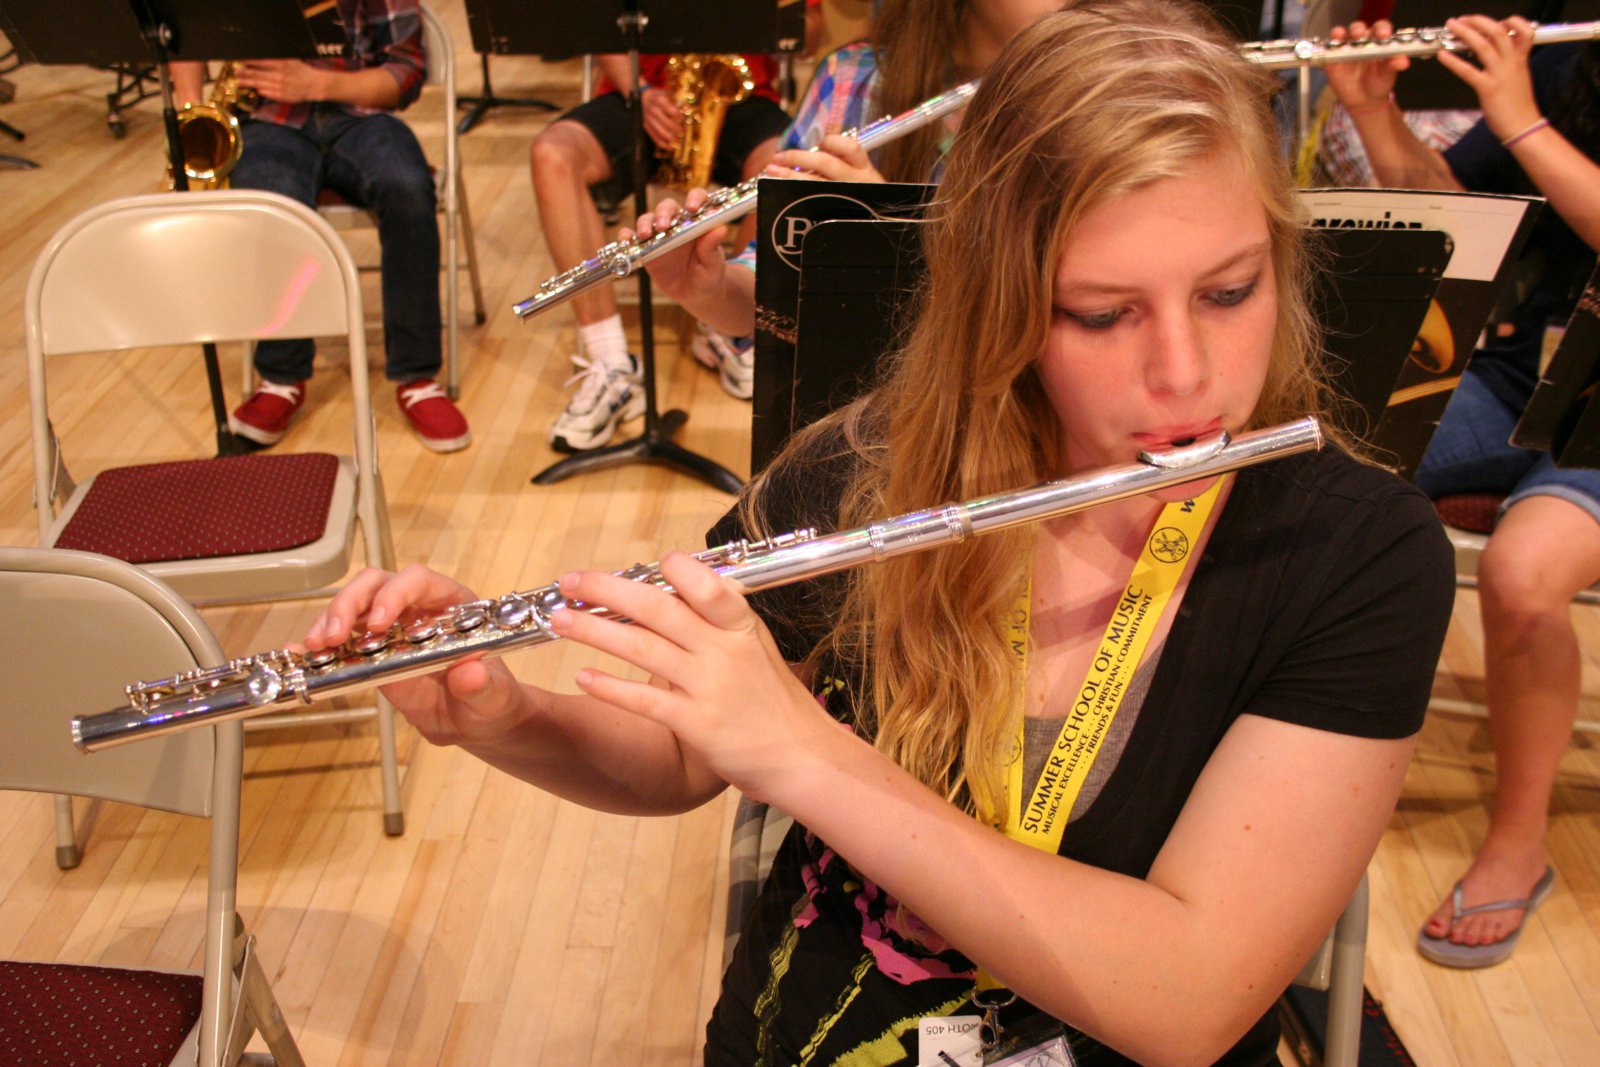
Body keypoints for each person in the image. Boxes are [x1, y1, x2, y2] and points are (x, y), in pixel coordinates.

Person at [307, 2, 1455, 1061]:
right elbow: (678, 759)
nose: (1185, 371)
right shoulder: (873, 466)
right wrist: (506, 715)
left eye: (1229, 291)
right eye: (1102, 312)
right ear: (1000, 298)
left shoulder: (1357, 555)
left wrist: (806, 752)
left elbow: (1190, 999)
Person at [1326, 14, 1600, 969]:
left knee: (1524, 576)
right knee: (1320, 468)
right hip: (1520, 376)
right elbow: (1460, 212)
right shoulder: (1573, 61)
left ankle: (1518, 845)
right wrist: (1375, 113)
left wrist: (1522, 120)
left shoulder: (1538, 98)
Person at [631, 0, 1064, 345]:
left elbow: (1037, 320)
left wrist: (892, 235)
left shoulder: (1092, 102)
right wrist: (711, 291)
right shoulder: (853, 81)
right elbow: (775, 295)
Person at [170, 1, 471, 454]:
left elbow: (405, 74)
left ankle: (417, 377)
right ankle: (282, 376)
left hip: (362, 116)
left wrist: (318, 83)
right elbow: (186, 32)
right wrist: (191, 109)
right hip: (270, 118)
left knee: (407, 189)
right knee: (272, 204)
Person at [530, 53, 791, 452]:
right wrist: (642, 91)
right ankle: (610, 360)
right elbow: (605, 28)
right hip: (643, 96)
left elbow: (807, 35)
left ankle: (732, 328)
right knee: (552, 154)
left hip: (744, 97)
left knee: (784, 164)